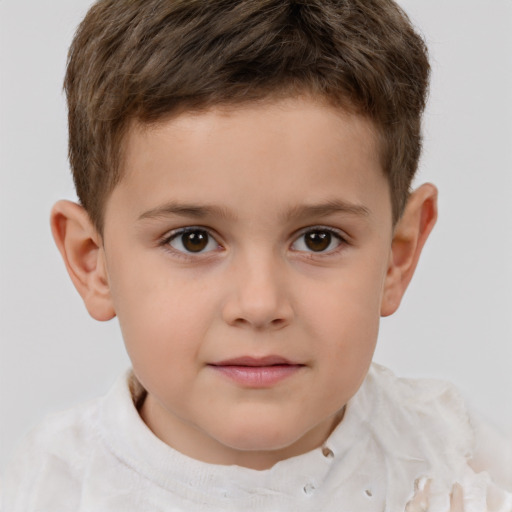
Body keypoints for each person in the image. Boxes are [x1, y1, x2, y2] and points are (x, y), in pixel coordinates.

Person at [2, 0, 511, 510]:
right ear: (94, 260)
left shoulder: (457, 468)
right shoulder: (46, 492)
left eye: (318, 239)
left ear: (397, 257)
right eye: (193, 239)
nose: (261, 303)